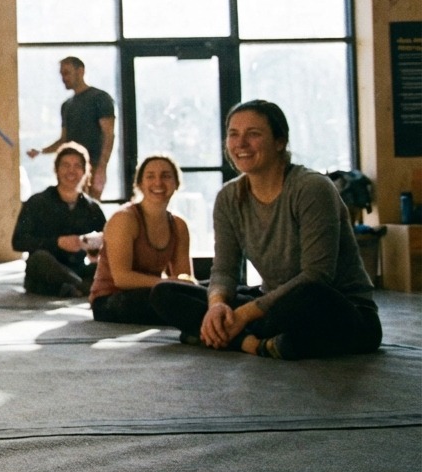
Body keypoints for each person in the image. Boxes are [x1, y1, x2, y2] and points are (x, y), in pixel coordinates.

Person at [149, 100, 382, 359]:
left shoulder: (312, 188)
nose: (241, 144)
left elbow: (317, 275)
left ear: (280, 142)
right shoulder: (229, 197)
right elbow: (225, 269)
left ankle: (230, 336)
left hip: (334, 308)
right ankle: (255, 342)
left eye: (254, 134)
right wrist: (217, 306)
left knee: (305, 295)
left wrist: (244, 314)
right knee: (166, 293)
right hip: (269, 303)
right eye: (233, 134)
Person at [88, 154, 195, 324]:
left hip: (154, 291)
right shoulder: (124, 219)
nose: (158, 182)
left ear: (176, 183)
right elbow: (122, 278)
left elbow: (184, 278)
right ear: (140, 184)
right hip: (112, 299)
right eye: (150, 176)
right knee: (175, 303)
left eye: (166, 176)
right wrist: (166, 283)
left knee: (212, 292)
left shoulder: (179, 225)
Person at [12, 142, 106, 296]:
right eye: (66, 165)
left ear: (85, 171)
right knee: (39, 259)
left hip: (78, 268)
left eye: (77, 166)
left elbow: (108, 239)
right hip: (47, 267)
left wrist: (94, 246)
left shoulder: (92, 208)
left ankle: (72, 287)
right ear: (56, 169)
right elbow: (18, 241)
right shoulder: (37, 202)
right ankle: (79, 286)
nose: (71, 171)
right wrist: (57, 243)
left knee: (105, 268)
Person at [26, 56, 116, 200]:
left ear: (80, 71)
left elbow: (109, 134)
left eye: (67, 73)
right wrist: (42, 151)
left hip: (92, 168)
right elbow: (64, 140)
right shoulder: (67, 106)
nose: (63, 78)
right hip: (72, 170)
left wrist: (101, 167)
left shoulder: (100, 98)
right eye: (61, 74)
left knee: (89, 211)